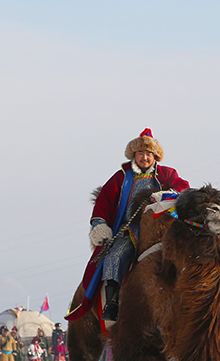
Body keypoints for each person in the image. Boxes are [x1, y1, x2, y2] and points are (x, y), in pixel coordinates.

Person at [67, 128, 190, 324]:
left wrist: (167, 195)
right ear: (134, 155)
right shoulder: (121, 177)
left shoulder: (166, 174)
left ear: (155, 156)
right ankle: (112, 301)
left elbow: (183, 188)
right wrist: (100, 225)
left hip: (161, 229)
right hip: (129, 228)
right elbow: (103, 202)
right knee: (116, 254)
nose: (145, 157)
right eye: (141, 153)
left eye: (149, 153)